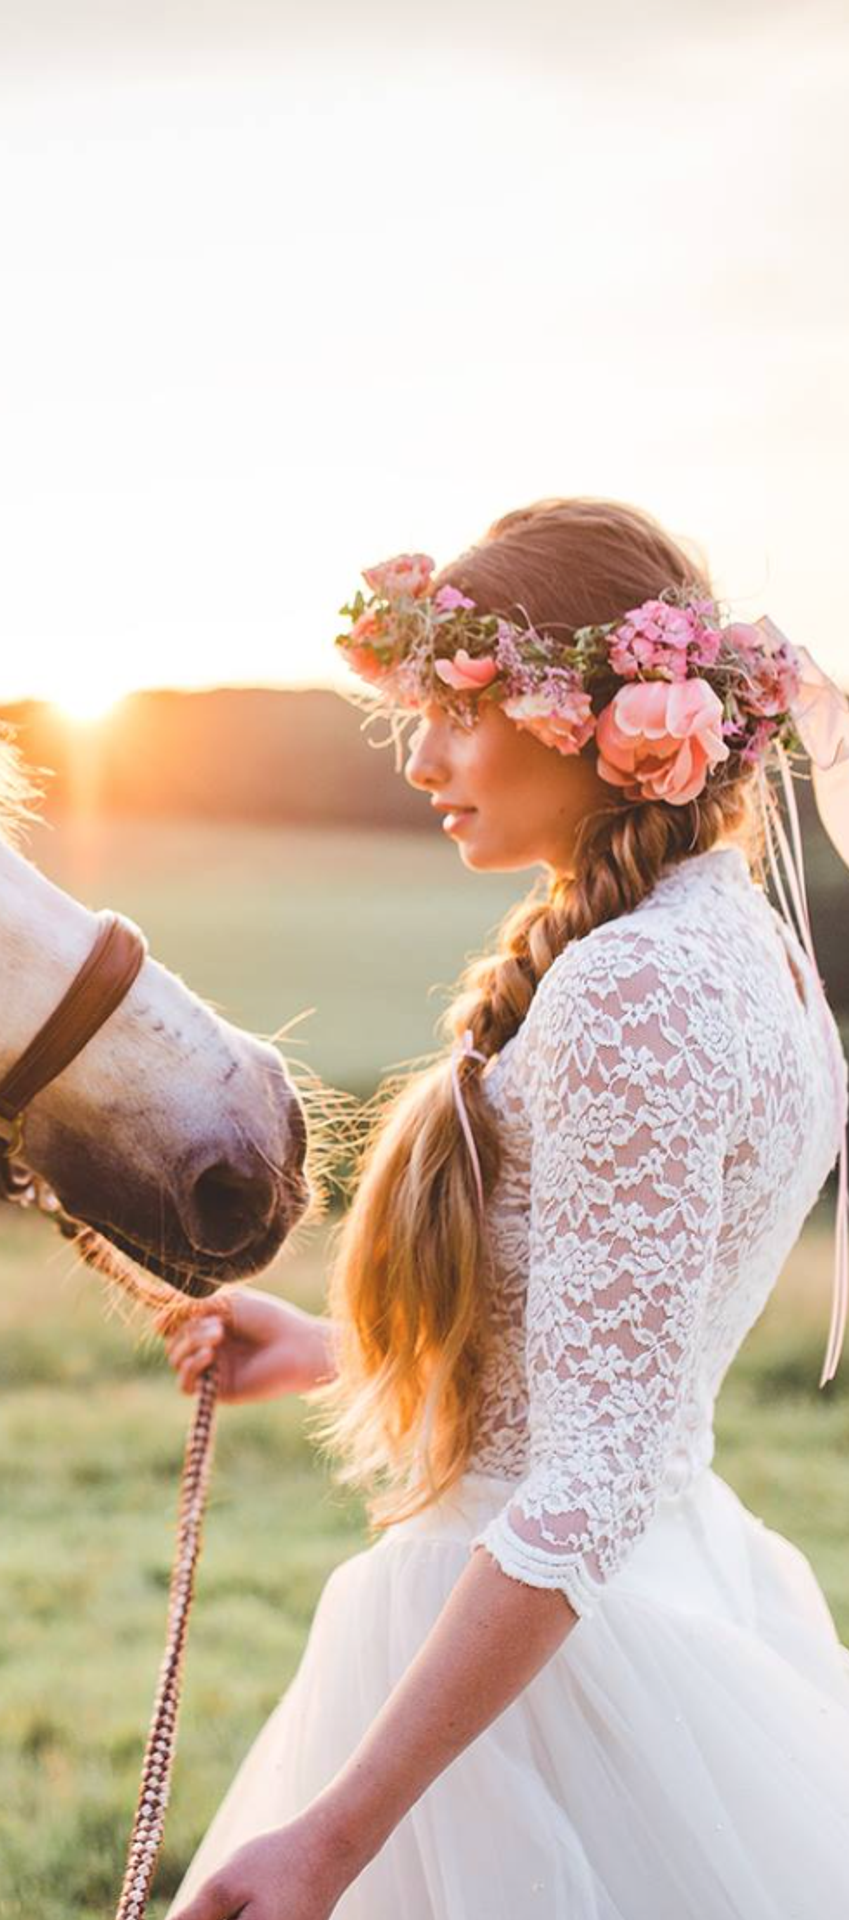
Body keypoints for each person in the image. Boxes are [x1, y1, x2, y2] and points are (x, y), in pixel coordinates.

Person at [160, 499, 849, 1920]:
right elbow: (614, 1359)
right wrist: (329, 1350)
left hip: (555, 1666)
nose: (421, 761)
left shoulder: (631, 988)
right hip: (672, 1583)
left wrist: (331, 1843)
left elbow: (588, 1480)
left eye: (456, 715)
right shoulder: (746, 946)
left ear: (591, 720)